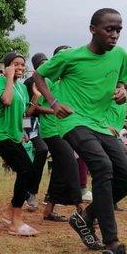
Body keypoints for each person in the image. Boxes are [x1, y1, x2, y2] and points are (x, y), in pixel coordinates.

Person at [33, 8, 127, 254]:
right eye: (109, 29)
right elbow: (39, 75)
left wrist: (122, 90)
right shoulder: (71, 57)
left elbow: (123, 79)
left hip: (99, 122)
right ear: (93, 29)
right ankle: (113, 251)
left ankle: (85, 217)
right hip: (72, 120)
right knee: (102, 166)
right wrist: (52, 102)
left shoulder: (121, 56)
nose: (115, 34)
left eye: (119, 29)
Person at [0, 52, 38, 236]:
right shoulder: (0, 81)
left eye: (23, 65)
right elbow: (6, 100)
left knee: (29, 173)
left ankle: (8, 212)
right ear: (7, 66)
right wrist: (8, 77)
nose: (21, 68)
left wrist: (36, 98)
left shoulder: (23, 88)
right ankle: (16, 222)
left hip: (15, 135)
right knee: (26, 171)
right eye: (16, 64)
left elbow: (26, 114)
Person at [30, 65, 84, 222]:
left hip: (66, 129)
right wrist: (55, 109)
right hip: (51, 131)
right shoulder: (47, 81)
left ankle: (48, 210)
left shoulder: (69, 82)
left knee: (60, 169)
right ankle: (80, 207)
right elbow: (34, 108)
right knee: (70, 163)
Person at [23, 53, 50, 211]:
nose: (45, 66)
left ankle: (52, 195)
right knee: (42, 149)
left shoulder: (52, 80)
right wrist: (53, 110)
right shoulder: (29, 82)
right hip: (29, 121)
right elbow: (29, 110)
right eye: (42, 64)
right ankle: (31, 192)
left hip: (48, 122)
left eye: (47, 63)